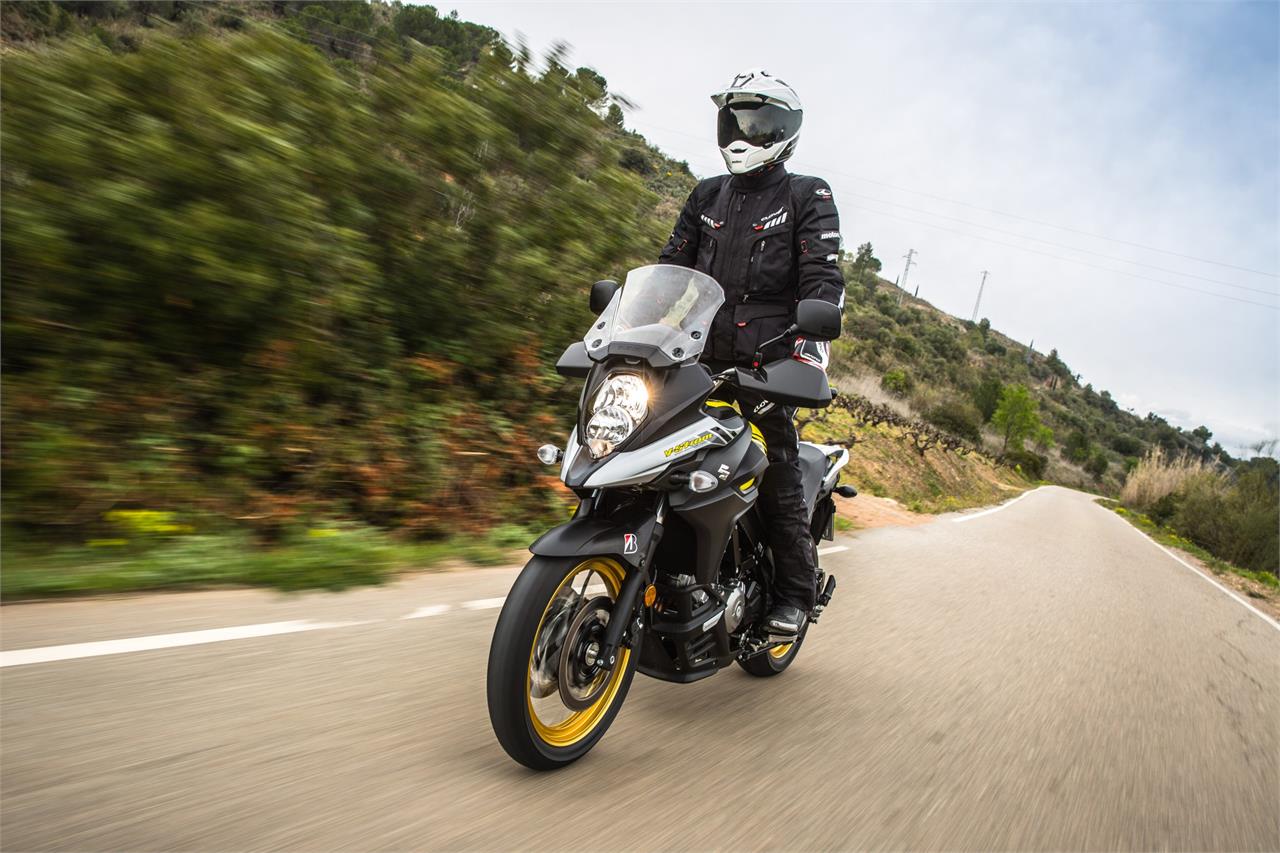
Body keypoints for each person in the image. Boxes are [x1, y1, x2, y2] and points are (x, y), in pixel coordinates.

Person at [658, 68, 845, 638]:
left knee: (775, 470)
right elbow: (671, 272)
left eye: (759, 121)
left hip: (767, 364)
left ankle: (795, 590)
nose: (745, 132)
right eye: (737, 118)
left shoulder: (806, 195)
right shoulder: (706, 195)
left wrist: (802, 349)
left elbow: (822, 281)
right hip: (700, 358)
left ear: (784, 130)